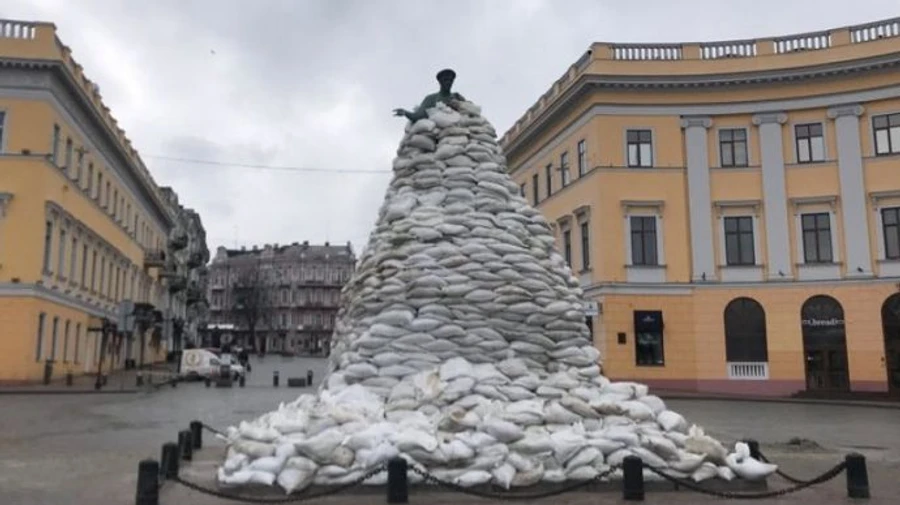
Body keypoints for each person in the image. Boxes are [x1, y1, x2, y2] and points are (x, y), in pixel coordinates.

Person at [393, 68, 466, 122]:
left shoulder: (457, 97)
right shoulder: (431, 98)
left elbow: (469, 112)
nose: (448, 82)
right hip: (435, 136)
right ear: (440, 82)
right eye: (445, 80)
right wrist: (405, 113)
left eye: (450, 80)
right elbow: (419, 116)